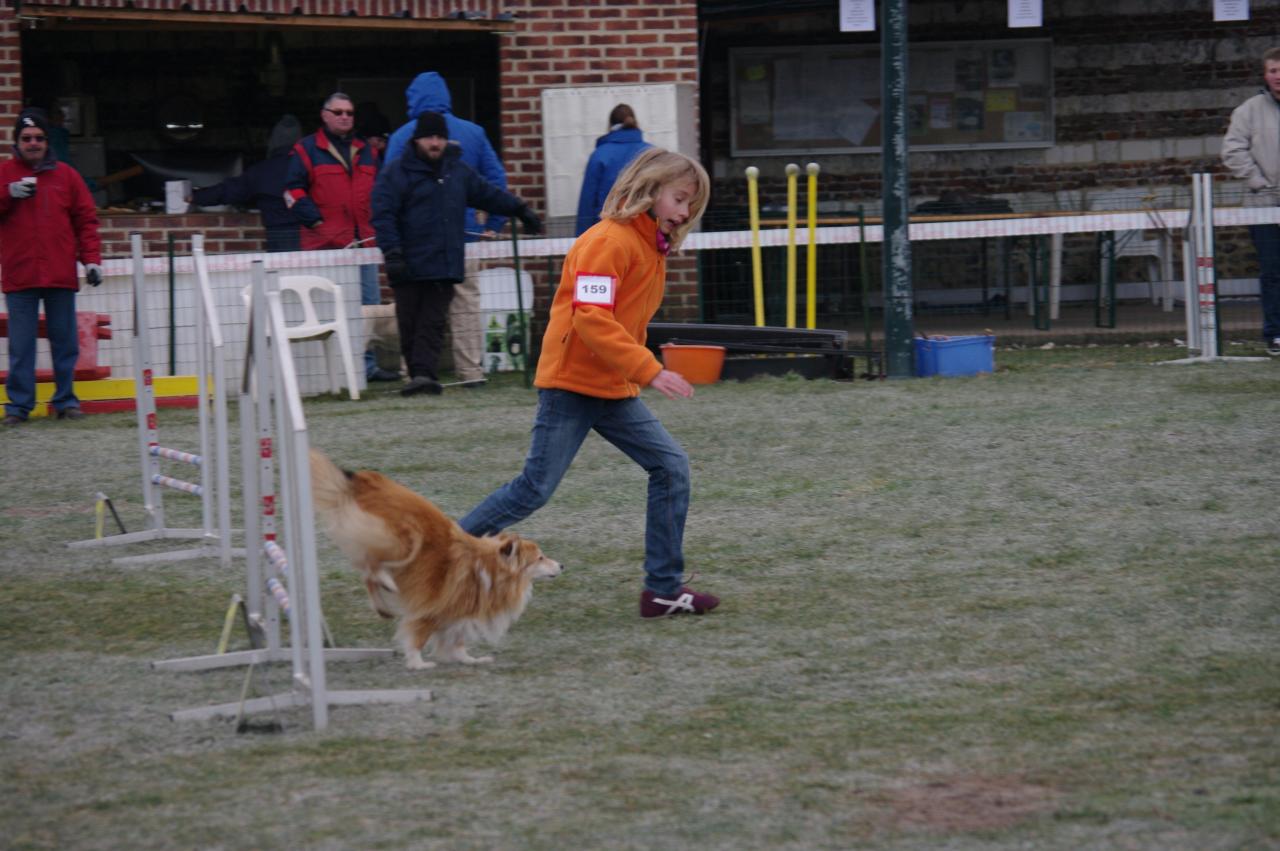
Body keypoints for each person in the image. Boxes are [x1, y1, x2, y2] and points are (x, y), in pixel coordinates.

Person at [458, 148, 718, 619]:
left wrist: (637, 370)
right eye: (679, 199)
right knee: (533, 489)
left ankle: (661, 589)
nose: (683, 213)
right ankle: (444, 558)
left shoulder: (649, 245)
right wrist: (651, 369)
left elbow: (622, 321)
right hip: (572, 386)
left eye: (690, 207)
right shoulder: (608, 242)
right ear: (648, 188)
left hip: (613, 388)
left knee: (671, 467)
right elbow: (591, 320)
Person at [371, 111, 542, 397]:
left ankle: (423, 375)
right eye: (429, 137)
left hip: (443, 262)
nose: (435, 143)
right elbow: (383, 215)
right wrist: (393, 253)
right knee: (409, 321)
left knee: (432, 322)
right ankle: (417, 375)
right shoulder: (396, 173)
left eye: (439, 137)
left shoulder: (457, 171)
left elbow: (488, 194)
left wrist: (520, 209)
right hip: (408, 263)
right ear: (417, 140)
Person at [385, 72, 508, 386]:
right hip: (463, 236)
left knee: (414, 306)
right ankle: (470, 372)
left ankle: (414, 371)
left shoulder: (402, 138)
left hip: (417, 242)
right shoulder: (474, 133)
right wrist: (492, 225)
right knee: (466, 303)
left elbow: (387, 188)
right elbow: (497, 182)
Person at [285, 93, 397, 381]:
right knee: (323, 310)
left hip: (364, 245)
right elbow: (292, 192)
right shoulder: (305, 150)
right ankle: (326, 374)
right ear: (324, 115)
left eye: (349, 112)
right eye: (338, 112)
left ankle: (366, 368)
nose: (345, 116)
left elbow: (383, 191)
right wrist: (318, 222)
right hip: (323, 246)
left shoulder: (367, 150)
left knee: (367, 310)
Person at [1, 109, 102, 426]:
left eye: (39, 138)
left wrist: (92, 261)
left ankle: (66, 402)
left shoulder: (67, 176)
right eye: (27, 138)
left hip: (60, 274)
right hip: (20, 275)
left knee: (65, 343)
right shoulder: (4, 174)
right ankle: (18, 408)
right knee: (21, 347)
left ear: (47, 142)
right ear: (16, 142)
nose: (33, 143)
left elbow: (86, 221)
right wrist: (6, 195)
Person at [1223, 46, 1280, 356]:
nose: (1279, 76)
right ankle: (1275, 334)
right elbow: (1232, 151)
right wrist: (1259, 183)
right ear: (1265, 74)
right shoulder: (1249, 110)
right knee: (1272, 272)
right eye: (1273, 70)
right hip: (1264, 205)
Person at [193, 114, 302, 252]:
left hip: (277, 238)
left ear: (273, 141)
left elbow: (228, 191)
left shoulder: (262, 171)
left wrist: (195, 197)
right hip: (312, 238)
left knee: (281, 272)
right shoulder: (310, 167)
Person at [574, 103, 652, 236]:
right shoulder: (651, 153)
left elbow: (587, 202)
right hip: (645, 232)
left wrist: (581, 239)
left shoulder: (599, 155)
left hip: (608, 234)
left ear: (610, 126)